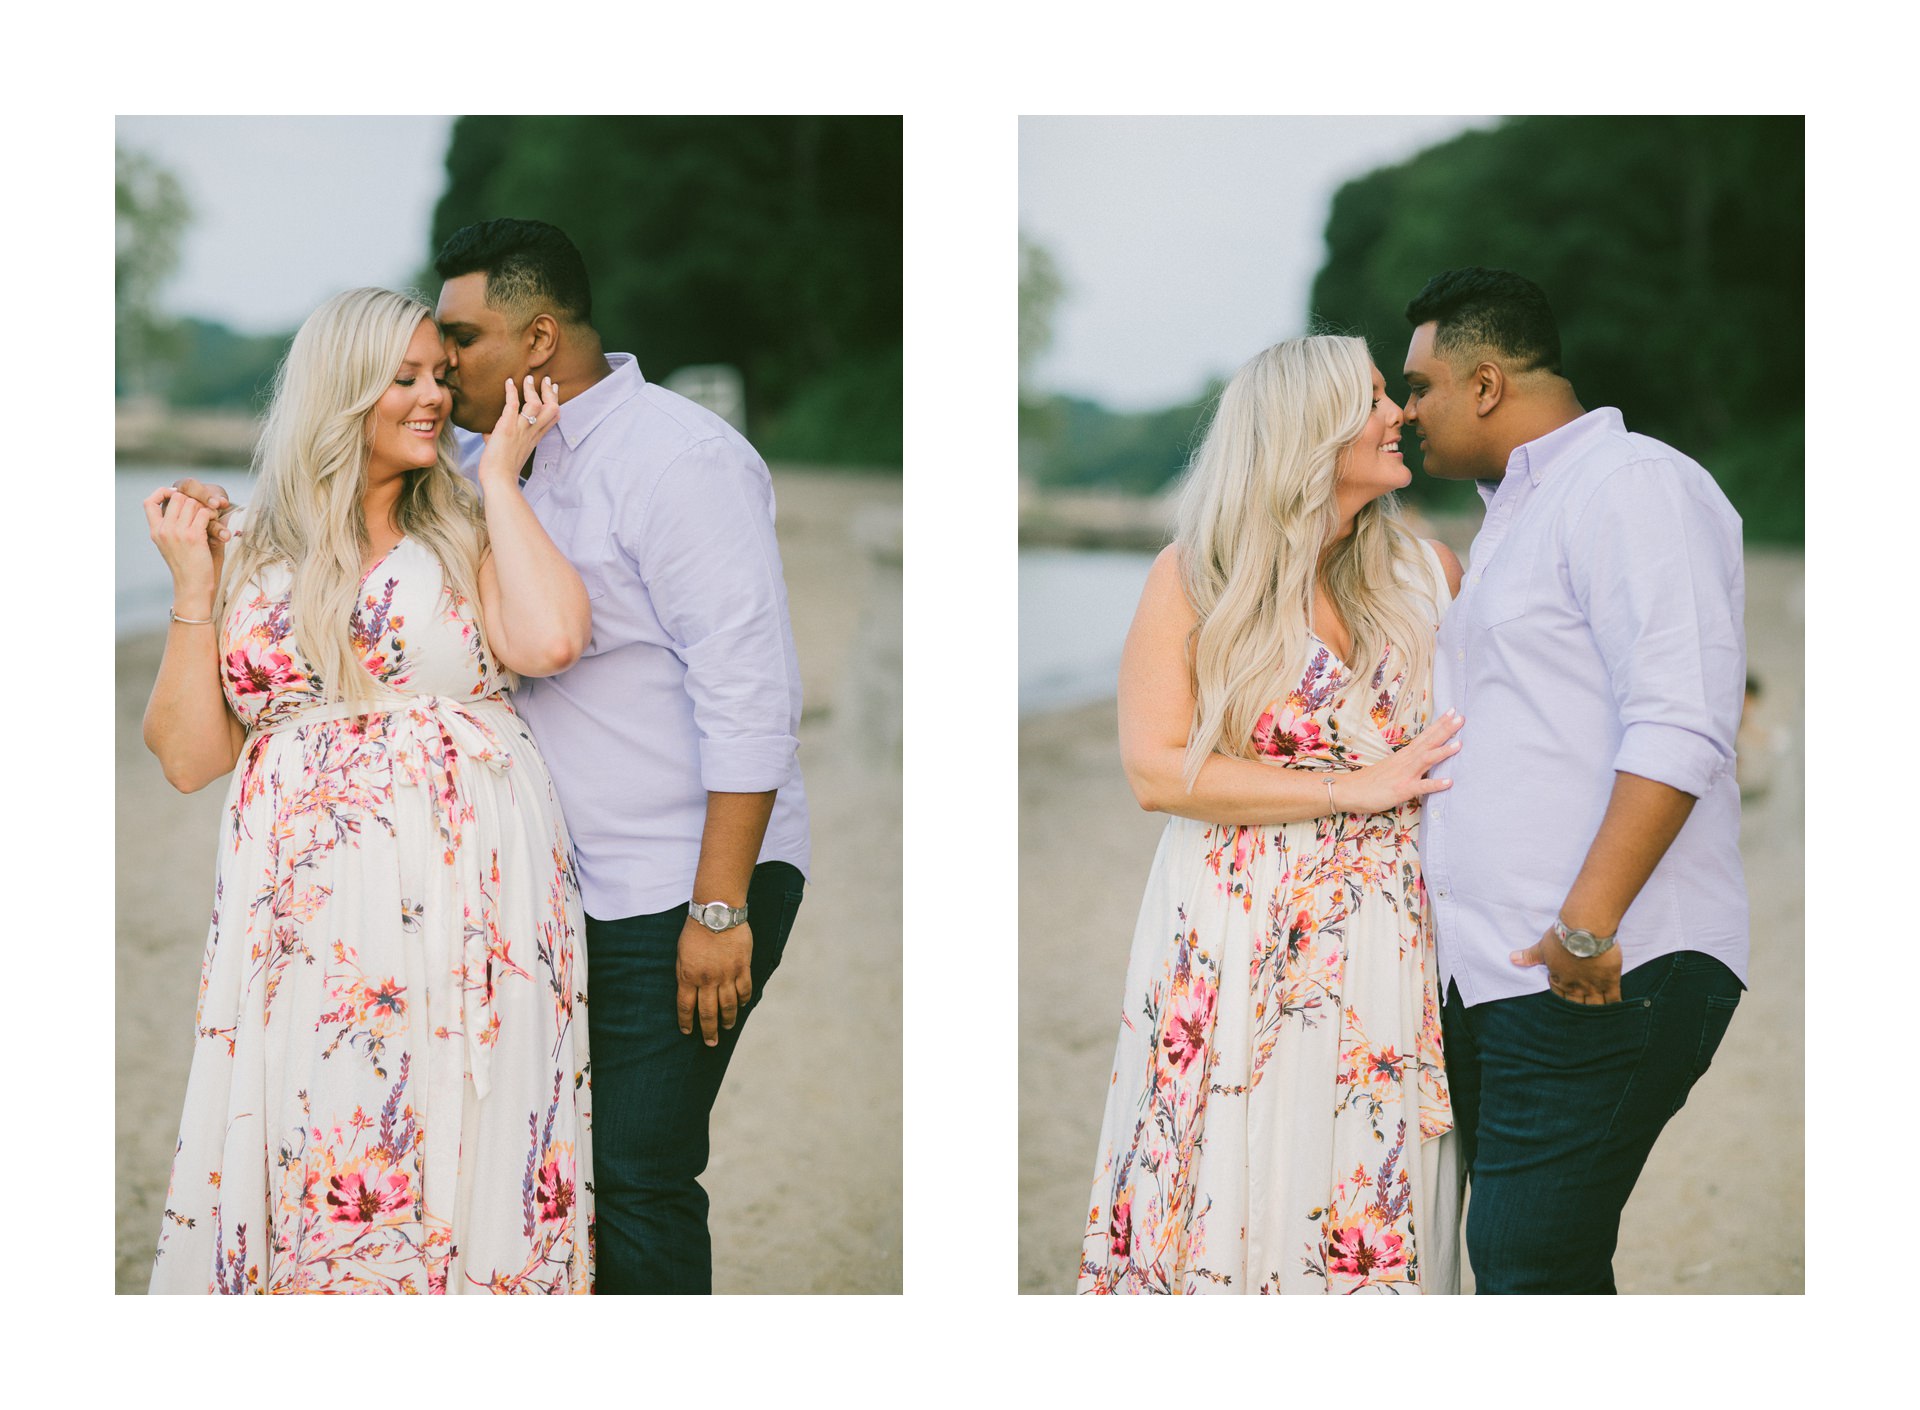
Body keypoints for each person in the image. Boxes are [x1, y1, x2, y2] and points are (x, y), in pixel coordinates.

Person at [143, 287, 595, 1294]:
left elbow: (553, 639)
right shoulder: (247, 547)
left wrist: (508, 477)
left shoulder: (467, 527)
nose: (432, 396)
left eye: (439, 375)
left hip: (467, 893)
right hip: (302, 915)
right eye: (405, 379)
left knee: (462, 1121)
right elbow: (186, 757)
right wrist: (186, 587)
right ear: (342, 390)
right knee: (322, 1123)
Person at [432, 219, 810, 1295]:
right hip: (548, 890)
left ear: (538, 336)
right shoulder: (475, 461)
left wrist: (719, 909)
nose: (444, 360)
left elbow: (753, 696)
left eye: (463, 335)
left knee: (636, 1172)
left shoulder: (680, 459)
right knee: (544, 1163)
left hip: (680, 880)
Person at [1078, 334, 1469, 1295]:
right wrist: (1351, 789)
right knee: (1224, 1171)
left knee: (1362, 1187)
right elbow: (1156, 770)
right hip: (1233, 925)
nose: (1400, 413)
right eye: (1375, 398)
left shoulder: (1430, 574)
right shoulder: (1197, 574)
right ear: (1310, 429)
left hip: (1388, 930)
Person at [1402, 266, 1747, 1295]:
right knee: (1517, 1261)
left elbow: (1682, 719)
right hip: (1504, 973)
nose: (1406, 409)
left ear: (1486, 382)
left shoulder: (1632, 484)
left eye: (1419, 385)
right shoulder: (1511, 514)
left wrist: (1588, 926)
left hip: (1605, 966)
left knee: (1527, 1262)